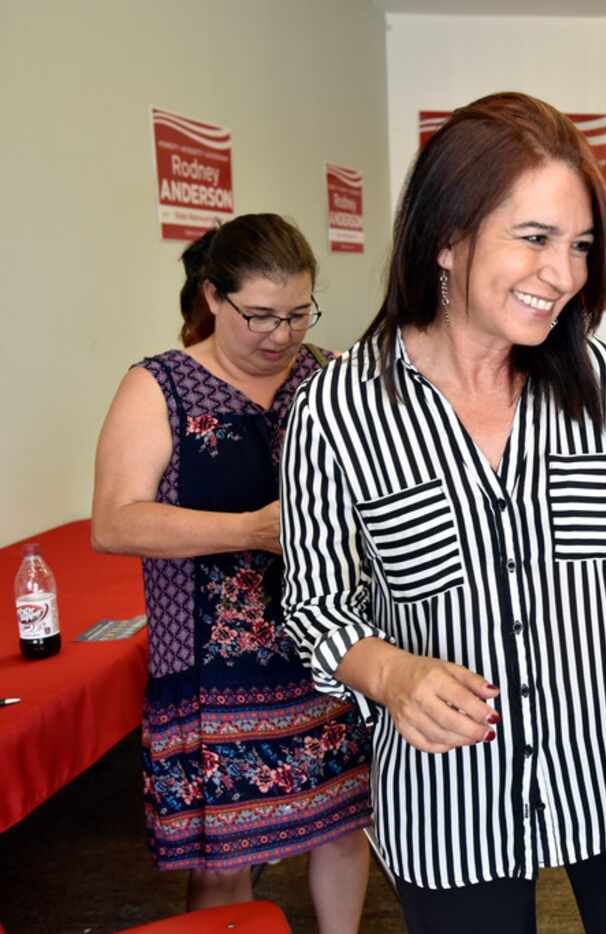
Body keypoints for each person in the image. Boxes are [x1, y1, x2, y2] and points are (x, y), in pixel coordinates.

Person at [277, 92, 606, 934]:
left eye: (580, 245)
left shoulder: (604, 388)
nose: (564, 275)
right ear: (447, 239)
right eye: (534, 238)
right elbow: (313, 604)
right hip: (451, 805)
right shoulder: (337, 409)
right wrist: (390, 671)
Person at [91, 214, 371, 932]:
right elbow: (116, 522)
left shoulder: (327, 378)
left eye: (297, 314)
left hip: (324, 652)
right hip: (214, 677)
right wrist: (249, 531)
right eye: (260, 316)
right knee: (225, 861)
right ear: (213, 298)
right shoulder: (161, 387)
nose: (281, 335)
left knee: (342, 824)